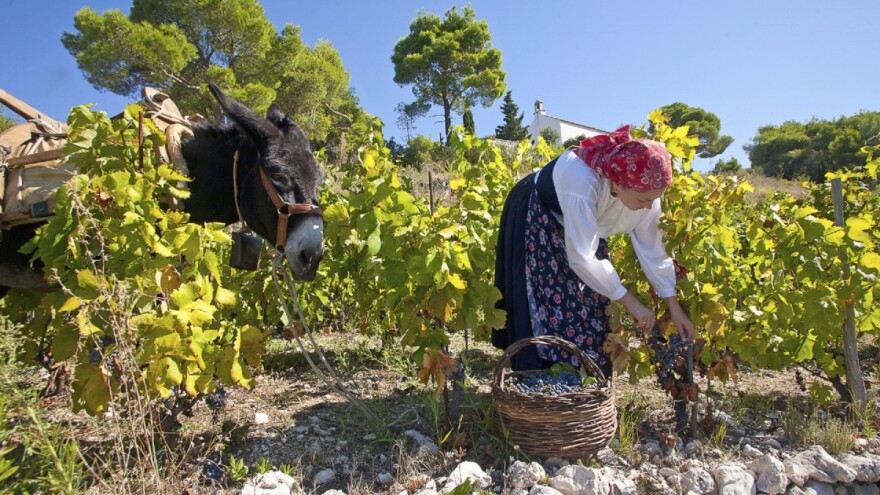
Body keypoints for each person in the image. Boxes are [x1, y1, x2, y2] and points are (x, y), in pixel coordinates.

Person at [492, 125, 694, 375]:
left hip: (583, 225)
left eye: (654, 200)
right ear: (618, 183)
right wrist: (630, 302)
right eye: (644, 200)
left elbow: (654, 251)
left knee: (592, 306)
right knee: (541, 300)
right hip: (537, 213)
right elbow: (582, 257)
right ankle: (541, 382)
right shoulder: (582, 179)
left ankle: (583, 380)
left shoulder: (646, 191)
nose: (649, 207)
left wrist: (674, 308)